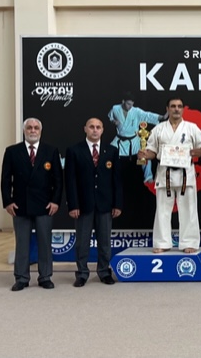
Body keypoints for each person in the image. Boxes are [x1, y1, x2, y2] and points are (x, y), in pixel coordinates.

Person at [0, 118, 63, 291]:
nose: (33, 130)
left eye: (36, 128)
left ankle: (45, 276)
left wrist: (55, 201)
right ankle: (21, 277)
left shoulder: (50, 151)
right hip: (20, 205)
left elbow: (58, 180)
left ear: (40, 131)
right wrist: (8, 202)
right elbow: (5, 180)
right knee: (22, 243)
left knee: (45, 242)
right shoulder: (12, 151)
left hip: (45, 205)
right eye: (29, 128)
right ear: (24, 131)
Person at [138, 97, 201, 253]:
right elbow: (152, 151)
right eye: (173, 106)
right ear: (167, 109)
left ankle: (189, 243)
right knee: (162, 210)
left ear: (183, 109)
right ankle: (162, 243)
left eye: (179, 106)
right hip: (165, 173)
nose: (176, 109)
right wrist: (144, 155)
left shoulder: (191, 128)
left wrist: (199, 151)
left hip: (186, 174)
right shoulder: (159, 129)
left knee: (189, 210)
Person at [65, 118, 123, 287]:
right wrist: (73, 205)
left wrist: (117, 204)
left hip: (105, 204)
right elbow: (70, 181)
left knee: (105, 241)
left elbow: (117, 180)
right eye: (91, 127)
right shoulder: (74, 151)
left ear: (103, 130)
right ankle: (82, 273)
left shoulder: (111, 151)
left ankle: (104, 272)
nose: (95, 130)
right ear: (85, 129)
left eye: (98, 127)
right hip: (83, 205)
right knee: (82, 242)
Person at [107, 91, 166, 183]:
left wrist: (161, 117)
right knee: (107, 154)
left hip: (134, 140)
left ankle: (148, 177)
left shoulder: (136, 111)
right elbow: (110, 116)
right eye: (128, 104)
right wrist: (114, 121)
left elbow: (147, 115)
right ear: (123, 101)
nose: (130, 106)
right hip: (120, 139)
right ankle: (106, 177)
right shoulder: (115, 108)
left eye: (132, 104)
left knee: (145, 155)